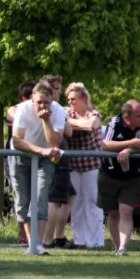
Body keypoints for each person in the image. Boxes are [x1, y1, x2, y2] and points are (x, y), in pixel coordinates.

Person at [8, 81, 65, 255]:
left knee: (40, 197)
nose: (42, 106)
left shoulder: (58, 111)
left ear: (51, 101)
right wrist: (41, 150)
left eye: (46, 103)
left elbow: (55, 142)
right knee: (23, 200)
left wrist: (46, 120)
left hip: (46, 158)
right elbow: (17, 141)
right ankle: (32, 243)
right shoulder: (23, 110)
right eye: (39, 102)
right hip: (21, 156)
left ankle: (37, 244)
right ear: (32, 100)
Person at [98, 100, 140, 255]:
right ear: (126, 117)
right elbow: (105, 144)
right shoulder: (114, 122)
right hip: (109, 175)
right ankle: (117, 247)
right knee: (112, 213)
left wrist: (129, 150)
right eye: (138, 116)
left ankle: (123, 247)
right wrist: (131, 143)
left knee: (125, 210)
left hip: (133, 178)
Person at [65, 82, 105, 248]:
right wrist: (71, 122)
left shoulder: (93, 113)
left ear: (84, 98)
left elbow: (91, 125)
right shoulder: (67, 113)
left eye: (73, 99)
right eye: (68, 99)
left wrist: (70, 123)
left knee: (93, 203)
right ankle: (80, 240)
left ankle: (95, 241)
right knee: (76, 204)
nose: (70, 102)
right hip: (74, 165)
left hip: (91, 165)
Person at [42, 75, 77, 249]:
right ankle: (48, 240)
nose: (60, 91)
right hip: (57, 155)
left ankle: (59, 236)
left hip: (60, 156)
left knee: (70, 194)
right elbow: (68, 132)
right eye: (57, 88)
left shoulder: (55, 108)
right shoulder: (54, 107)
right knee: (54, 199)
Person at [6, 82, 35, 244]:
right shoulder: (14, 109)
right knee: (20, 195)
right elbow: (12, 116)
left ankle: (35, 235)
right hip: (16, 158)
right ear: (24, 98)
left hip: (37, 155)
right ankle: (22, 235)